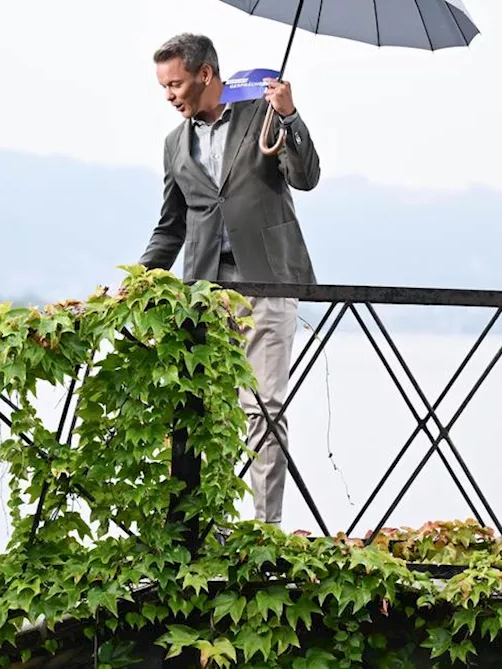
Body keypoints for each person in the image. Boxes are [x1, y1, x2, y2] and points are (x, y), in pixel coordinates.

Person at [135, 33, 321, 528]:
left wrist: (288, 115)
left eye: (175, 83)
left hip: (269, 283)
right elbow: (171, 225)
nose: (170, 95)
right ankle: (205, 527)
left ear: (205, 74)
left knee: (264, 410)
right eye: (163, 87)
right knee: (203, 413)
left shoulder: (260, 115)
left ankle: (266, 530)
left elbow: (305, 178)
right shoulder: (175, 143)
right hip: (205, 295)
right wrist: (139, 279)